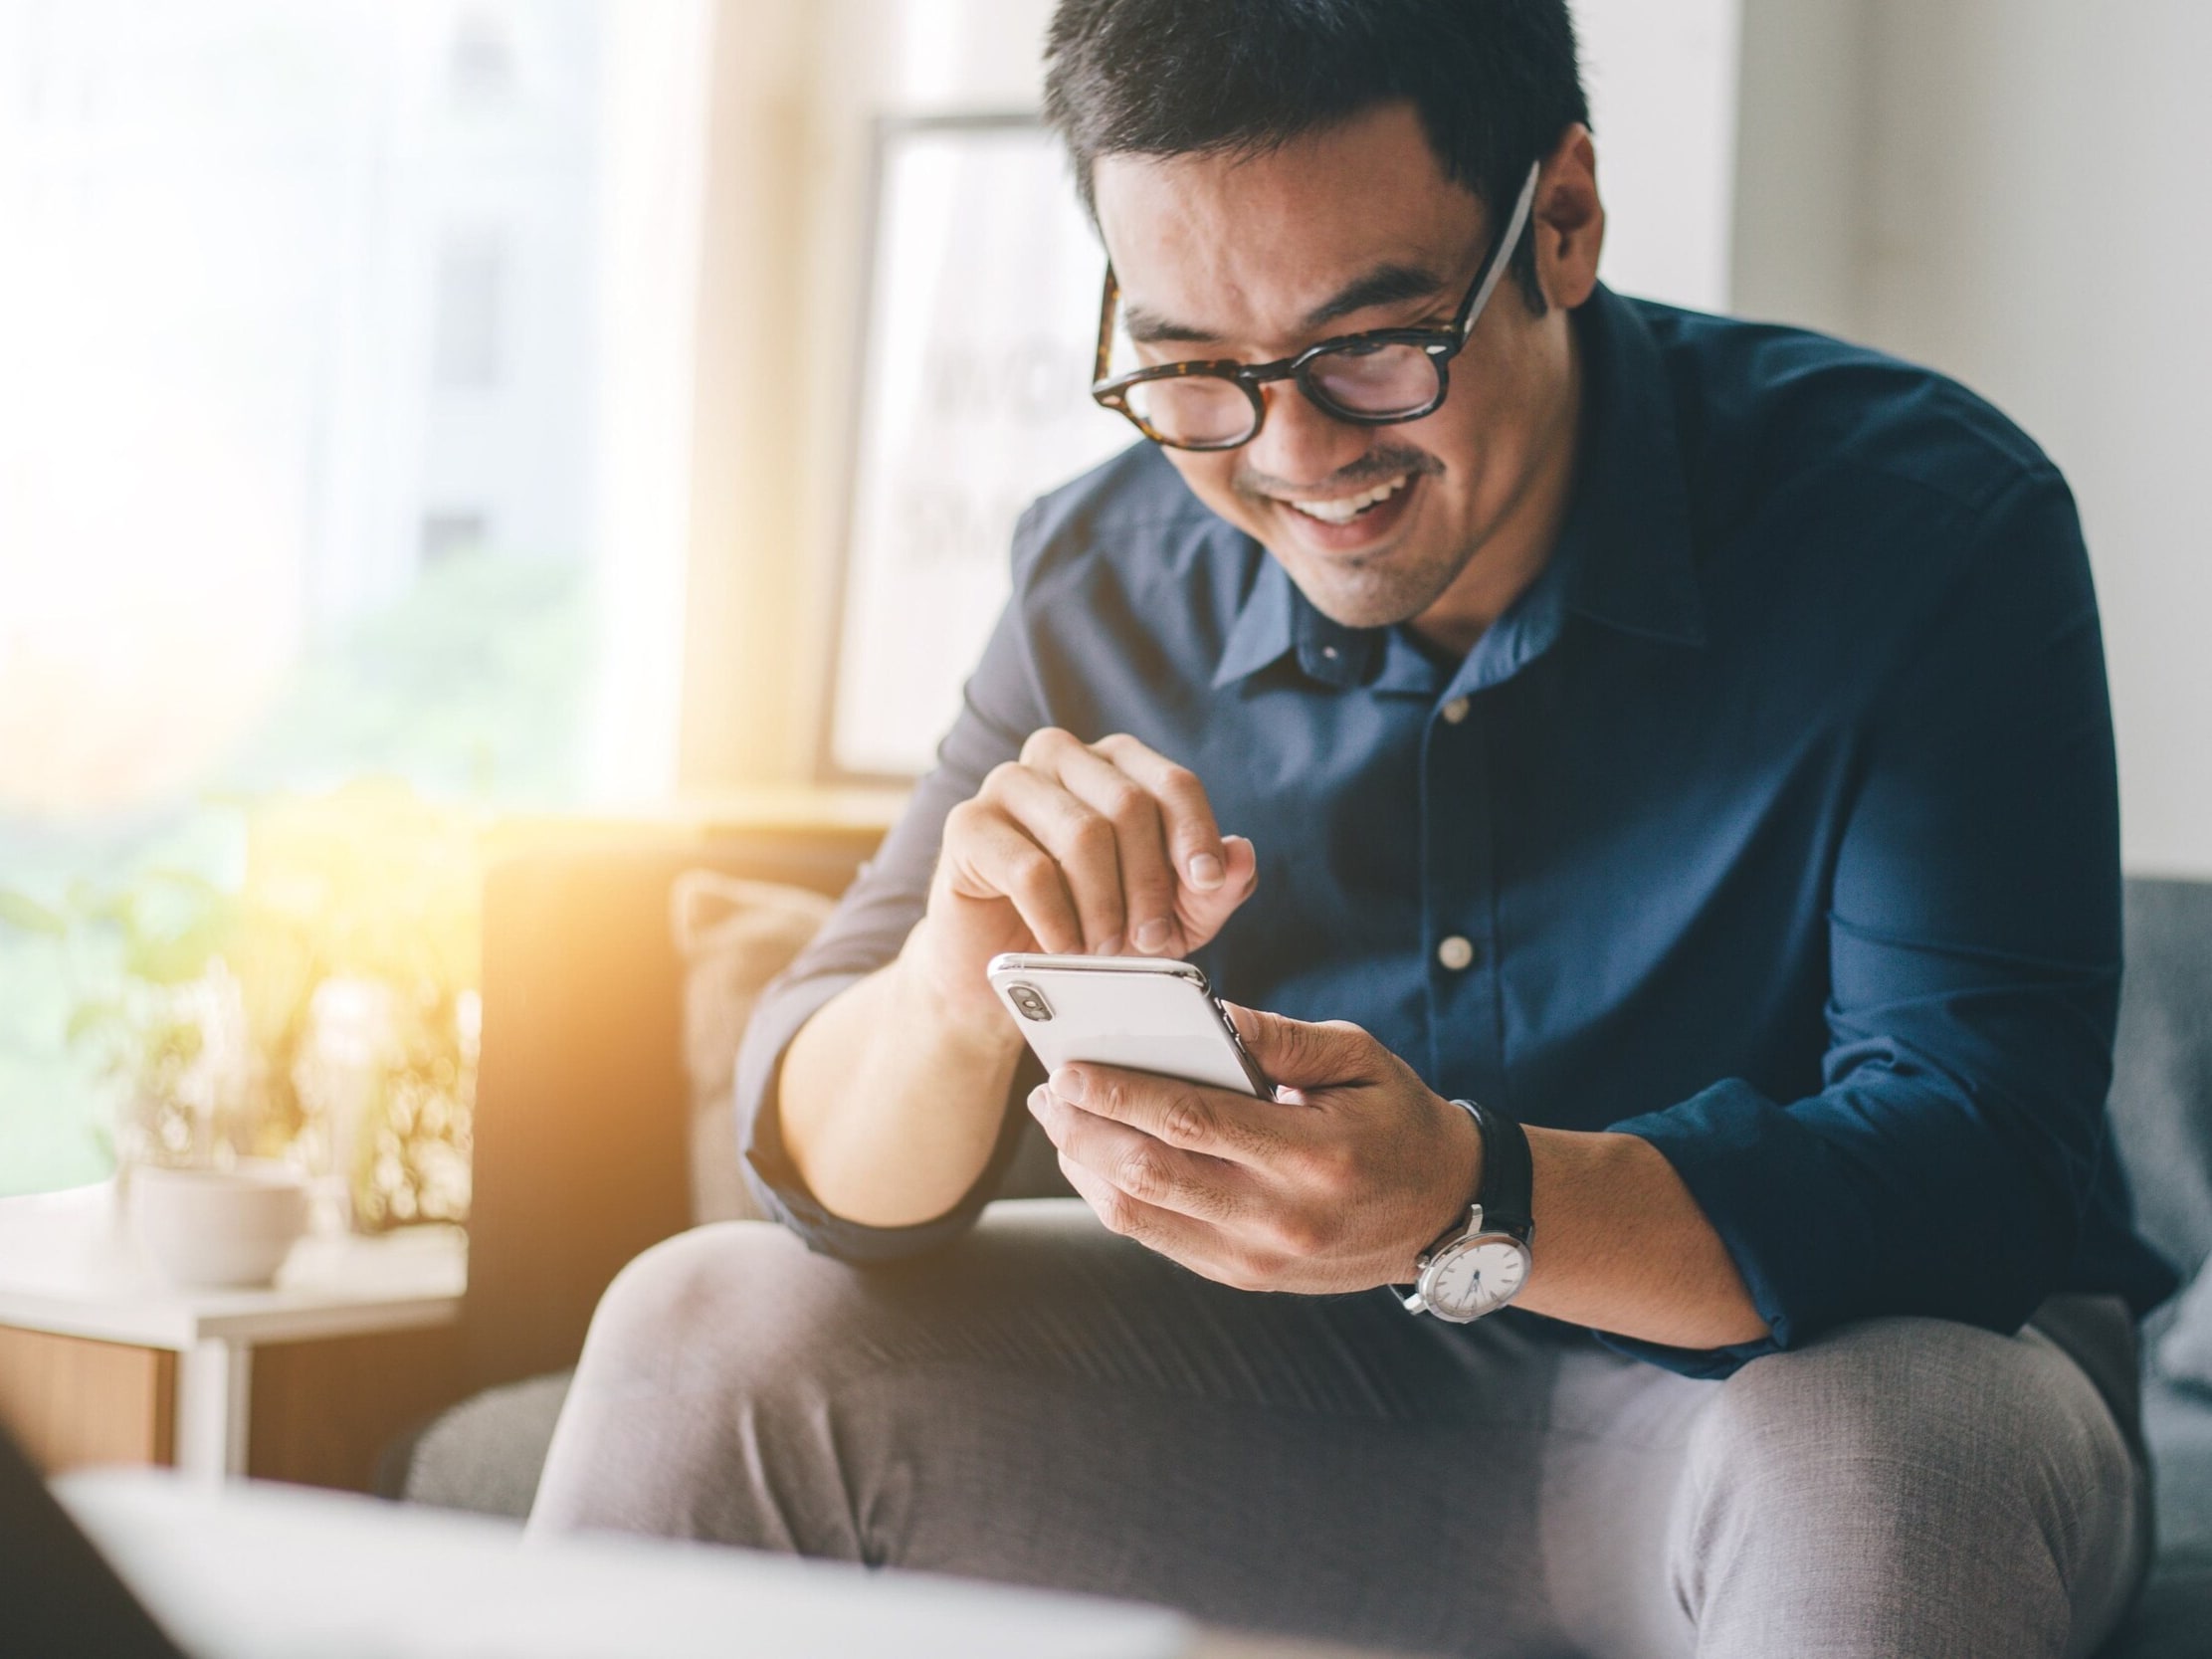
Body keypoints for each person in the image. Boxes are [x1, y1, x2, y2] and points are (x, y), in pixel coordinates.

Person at [530, 3, 2177, 1653]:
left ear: (1563, 220)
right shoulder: (1105, 578)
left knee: (1882, 1449)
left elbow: (1980, 1167)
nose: (1293, 455)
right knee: (703, 1329)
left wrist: (1473, 1200)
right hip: (1309, 1413)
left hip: (1817, 1391)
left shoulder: (1922, 526)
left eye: (1373, 349)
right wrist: (952, 1006)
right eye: (1188, 364)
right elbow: (818, 1163)